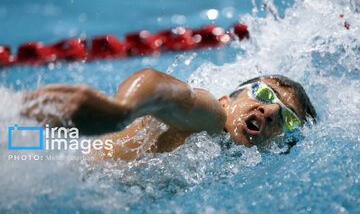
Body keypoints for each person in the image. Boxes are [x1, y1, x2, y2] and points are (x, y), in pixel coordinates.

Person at [21, 68, 317, 161]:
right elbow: (160, 87)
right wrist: (120, 111)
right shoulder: (212, 117)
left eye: (288, 119)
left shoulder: (223, 155)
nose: (271, 110)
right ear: (227, 100)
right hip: (45, 154)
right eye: (264, 94)